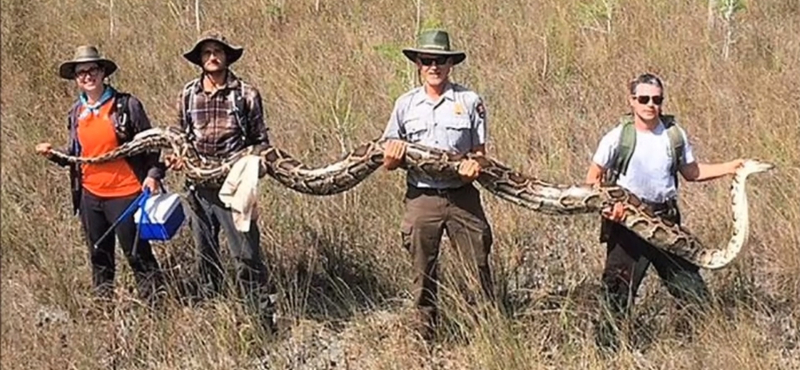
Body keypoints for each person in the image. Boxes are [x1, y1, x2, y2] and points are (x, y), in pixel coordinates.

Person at [585, 73, 745, 350]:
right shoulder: (617, 137)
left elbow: (692, 172)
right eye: (644, 99)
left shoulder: (674, 134)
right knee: (617, 292)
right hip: (628, 223)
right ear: (632, 101)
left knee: (691, 288)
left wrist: (731, 167)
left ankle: (708, 345)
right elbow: (593, 178)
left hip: (666, 221)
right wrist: (611, 209)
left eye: (656, 100)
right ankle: (607, 352)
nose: (650, 105)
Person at [381, 29, 495, 342]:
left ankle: (486, 336)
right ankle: (424, 339)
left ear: (450, 64)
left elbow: (482, 156)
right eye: (427, 60)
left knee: (478, 268)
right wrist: (391, 157)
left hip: (462, 197)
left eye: (440, 60)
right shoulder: (405, 104)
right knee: (423, 272)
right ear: (418, 63)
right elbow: (387, 160)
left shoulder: (470, 101)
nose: (434, 66)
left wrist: (476, 166)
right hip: (422, 197)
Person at [35, 45, 166, 306]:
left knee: (136, 253)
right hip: (90, 196)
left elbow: (152, 143)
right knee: (98, 253)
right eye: (81, 72)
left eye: (92, 69)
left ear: (103, 72)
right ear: (75, 79)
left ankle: (157, 307)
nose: (87, 76)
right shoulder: (76, 113)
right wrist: (54, 155)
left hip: (126, 193)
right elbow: (79, 155)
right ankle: (103, 306)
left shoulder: (126, 105)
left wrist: (153, 174)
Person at [166, 30, 275, 335]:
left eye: (218, 51)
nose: (212, 57)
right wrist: (176, 159)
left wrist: (252, 167)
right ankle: (215, 317)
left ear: (227, 57)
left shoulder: (246, 93)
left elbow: (260, 141)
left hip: (236, 186)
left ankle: (261, 319)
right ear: (200, 59)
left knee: (246, 254)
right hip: (198, 188)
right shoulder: (187, 94)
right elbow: (180, 137)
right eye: (206, 52)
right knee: (206, 254)